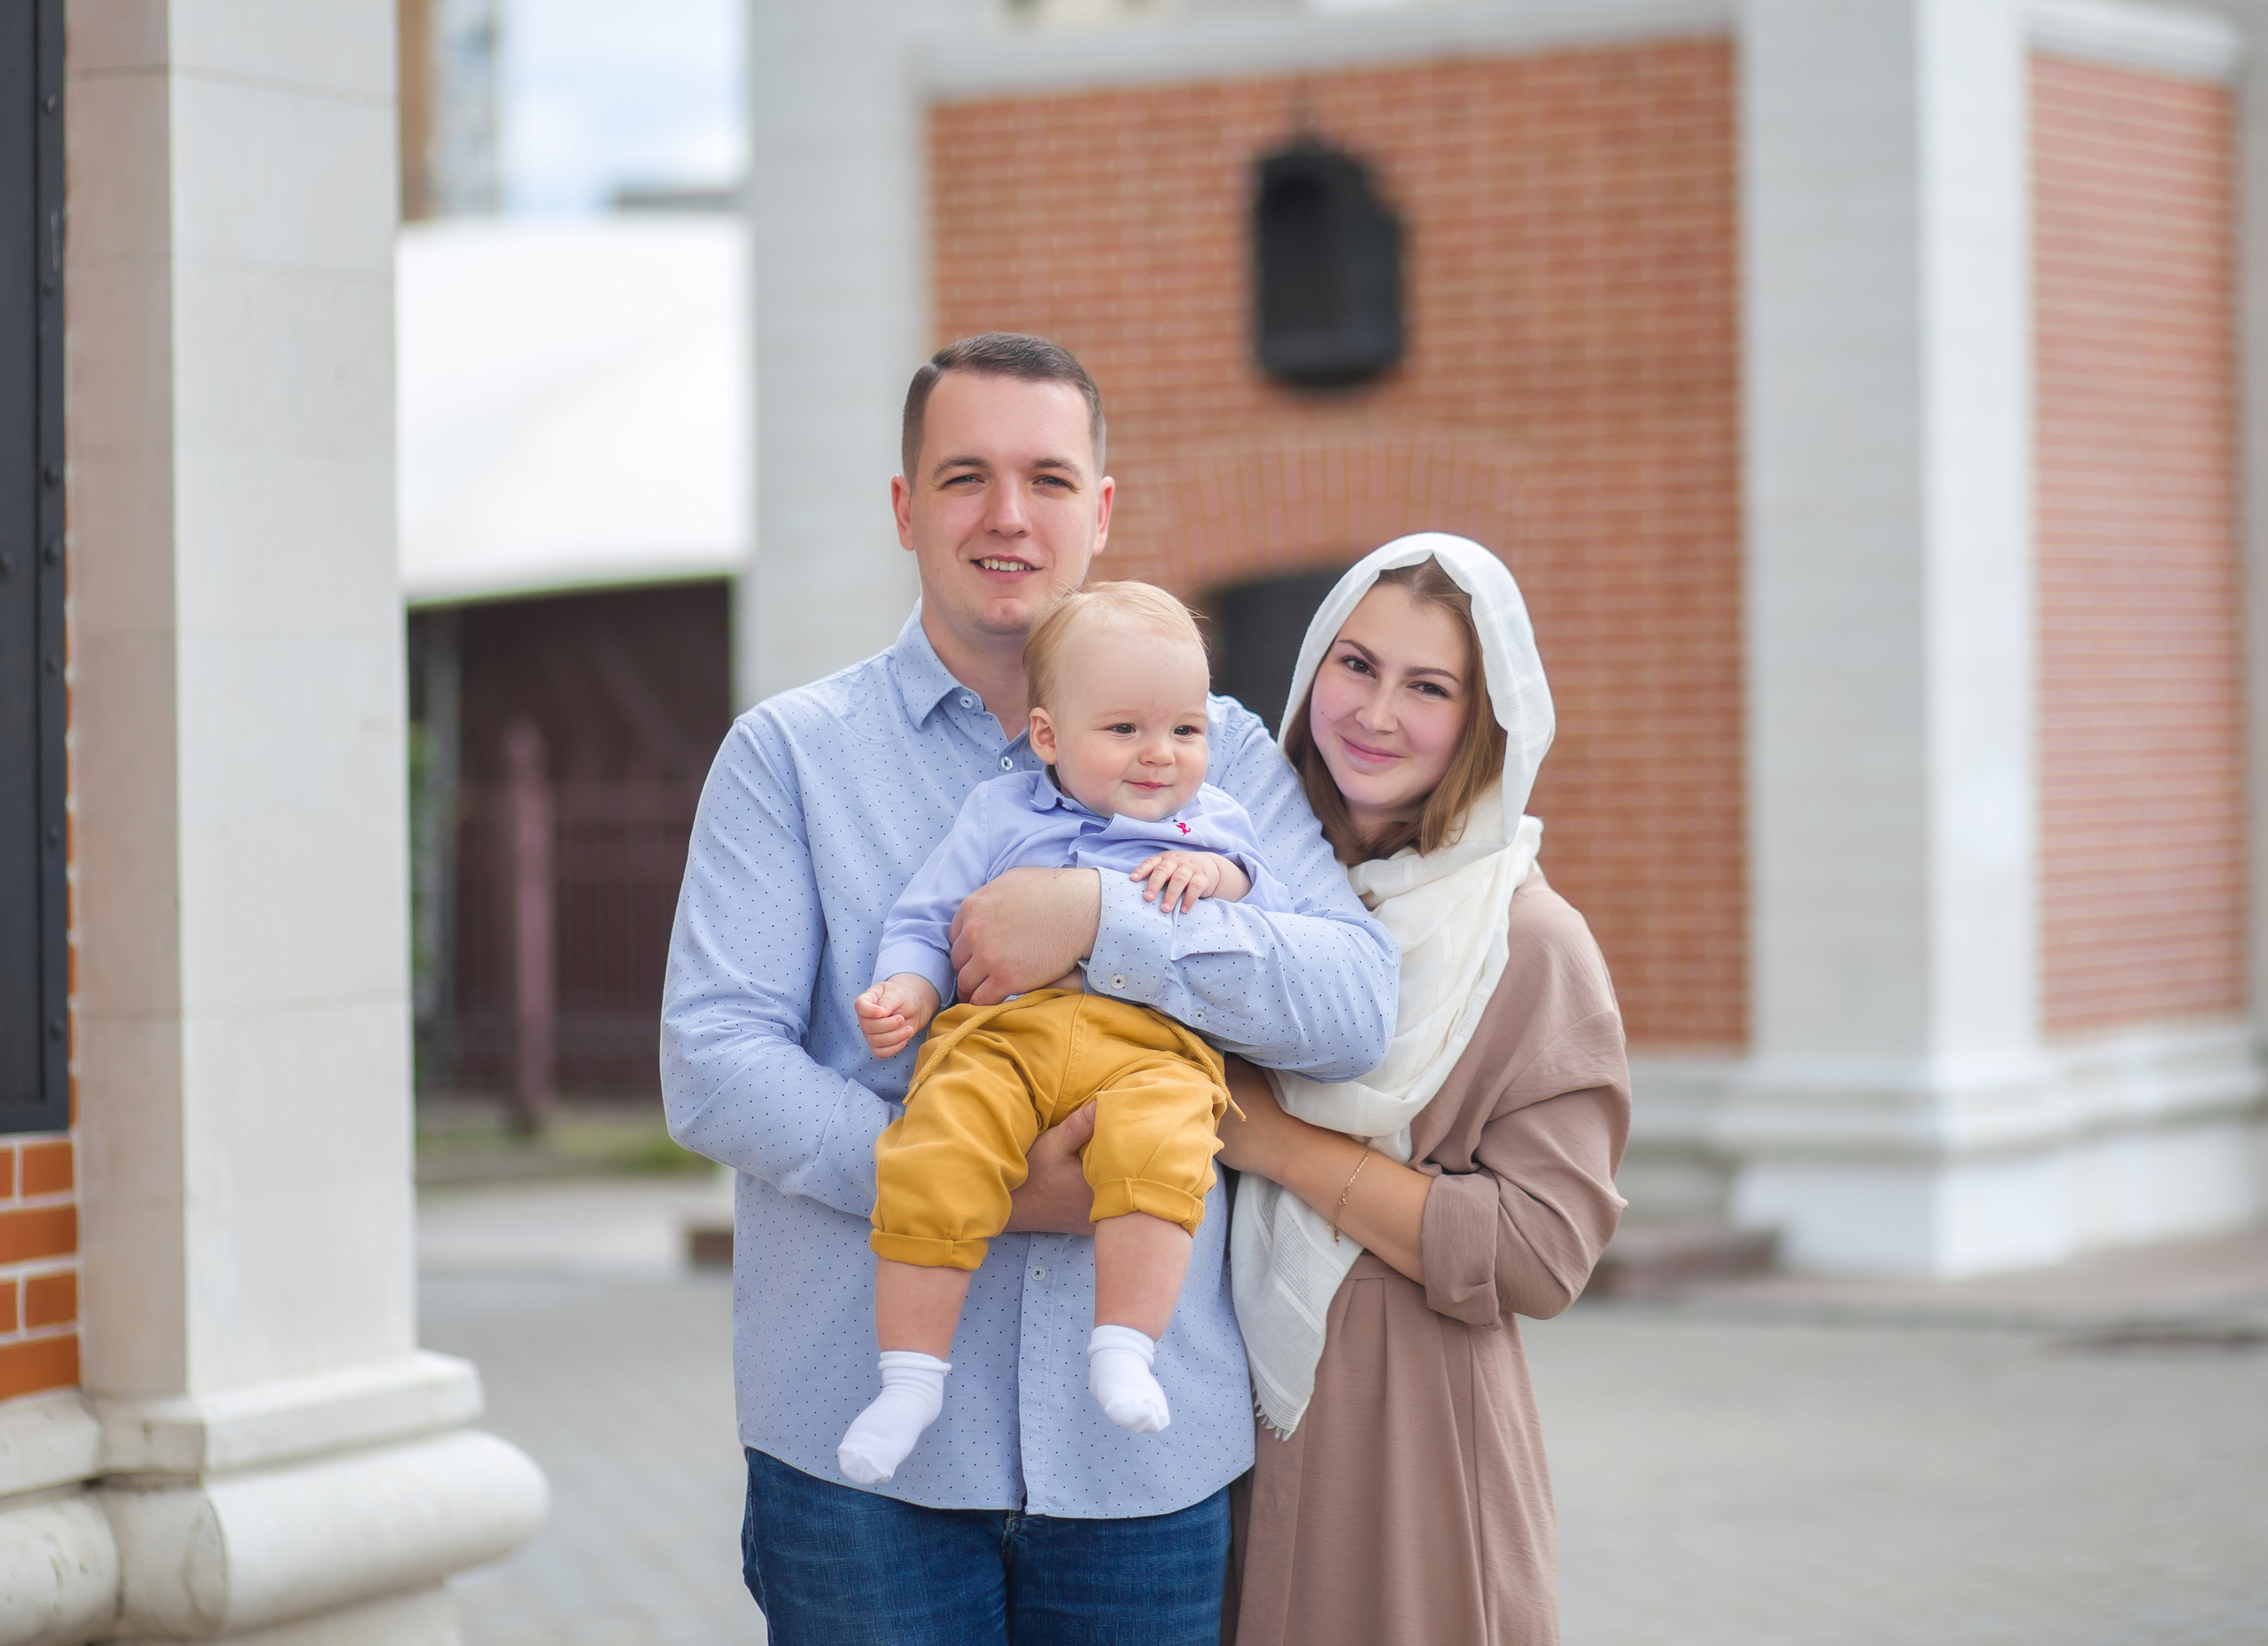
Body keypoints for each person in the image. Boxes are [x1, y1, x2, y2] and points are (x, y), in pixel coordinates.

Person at [659, 332, 1397, 1646]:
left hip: (1143, 1462)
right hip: (857, 1454)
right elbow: (714, 1059)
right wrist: (967, 1177)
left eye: (1049, 477)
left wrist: (1107, 917)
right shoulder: (789, 756)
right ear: (904, 507)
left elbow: (1353, 1001)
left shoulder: (1217, 749)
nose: (1009, 515)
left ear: (1100, 509)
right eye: (965, 477)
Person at [1217, 533, 1631, 1646]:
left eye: (1428, 686)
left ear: (1481, 724)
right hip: (1217, 1426)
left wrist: (1283, 1147)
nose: (1376, 712)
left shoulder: (1527, 945)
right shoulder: (1242, 901)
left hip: (1413, 1446)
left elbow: (1540, 1255)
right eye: (1354, 666)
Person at [841, 582, 1291, 1483]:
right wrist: (908, 988)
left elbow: (1273, 930)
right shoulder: (998, 816)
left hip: (1149, 1048)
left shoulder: (1218, 824)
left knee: (1166, 1148)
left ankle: (1124, 1343)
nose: (1161, 755)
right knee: (936, 1145)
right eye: (1124, 729)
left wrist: (1218, 874)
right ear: (1047, 737)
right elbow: (929, 917)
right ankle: (909, 1377)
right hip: (1002, 1038)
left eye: (1186, 730)